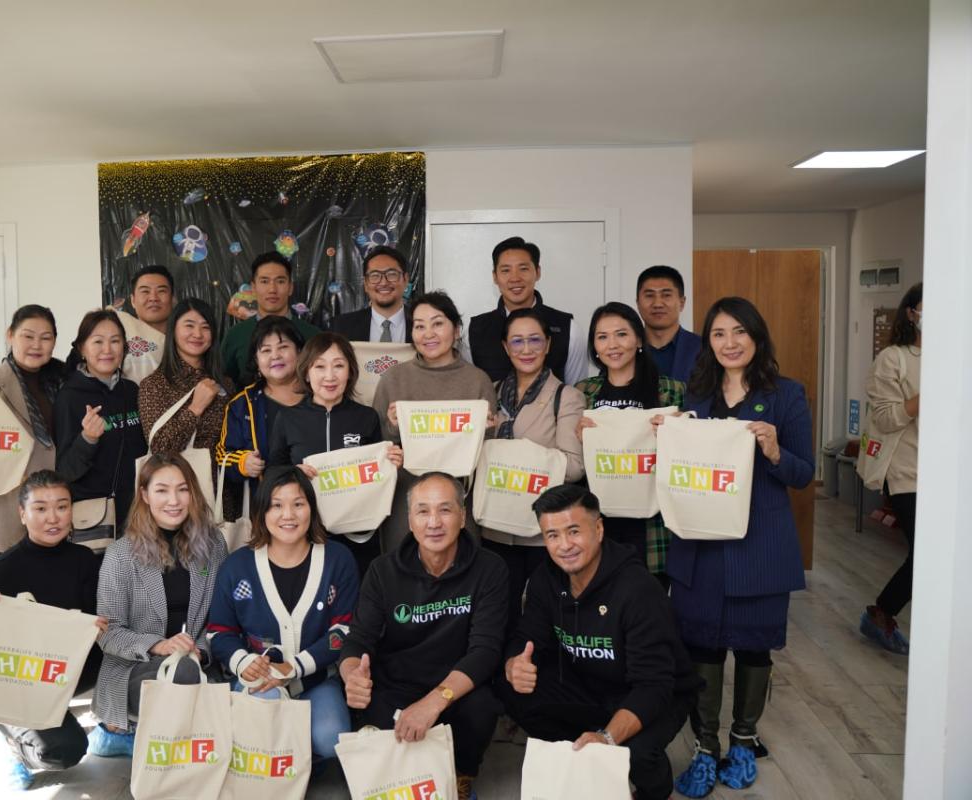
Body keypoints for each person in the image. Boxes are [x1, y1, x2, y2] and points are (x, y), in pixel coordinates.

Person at [668, 297, 814, 797]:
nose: (729, 343)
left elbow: (804, 474)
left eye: (739, 332)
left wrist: (775, 450)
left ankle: (744, 740)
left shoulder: (786, 396)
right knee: (701, 644)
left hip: (761, 544)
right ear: (707, 342)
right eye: (718, 334)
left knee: (754, 646)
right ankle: (706, 749)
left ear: (757, 337)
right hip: (701, 544)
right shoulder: (696, 394)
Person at [497, 483, 699, 800]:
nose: (564, 545)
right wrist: (514, 664)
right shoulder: (544, 578)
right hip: (589, 682)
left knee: (637, 754)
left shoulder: (638, 589)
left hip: (655, 691)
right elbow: (526, 637)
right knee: (512, 686)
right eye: (552, 535)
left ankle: (655, 790)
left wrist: (607, 738)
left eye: (574, 531)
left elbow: (654, 685)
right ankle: (581, 760)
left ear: (599, 528)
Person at [339, 472, 508, 800]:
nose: (434, 522)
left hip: (455, 687)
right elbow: (359, 639)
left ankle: (461, 775)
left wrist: (433, 703)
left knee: (483, 706)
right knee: (373, 718)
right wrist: (351, 675)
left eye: (445, 510)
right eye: (423, 511)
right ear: (410, 521)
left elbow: (485, 650)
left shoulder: (490, 568)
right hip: (398, 685)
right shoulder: (382, 570)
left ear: (462, 517)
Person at [206, 468, 359, 763]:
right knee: (262, 736)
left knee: (331, 741)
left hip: (316, 680)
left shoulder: (338, 559)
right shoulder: (238, 566)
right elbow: (219, 632)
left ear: (311, 509)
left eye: (298, 504)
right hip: (260, 679)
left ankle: (298, 759)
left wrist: (294, 668)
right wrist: (245, 662)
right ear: (262, 511)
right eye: (276, 505)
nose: (288, 515)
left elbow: (343, 633)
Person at [0, 470, 106, 790]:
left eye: (62, 506)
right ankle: (15, 744)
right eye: (40, 508)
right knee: (64, 749)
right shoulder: (3, 569)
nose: (53, 518)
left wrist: (99, 625)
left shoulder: (85, 560)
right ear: (22, 513)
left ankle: (112, 727)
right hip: (20, 679)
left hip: (65, 672)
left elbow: (94, 619)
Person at [88, 453, 229, 757]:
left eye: (182, 489)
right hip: (135, 668)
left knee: (199, 675)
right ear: (144, 495)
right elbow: (108, 632)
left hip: (197, 660)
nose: (174, 500)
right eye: (162, 490)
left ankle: (152, 738)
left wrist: (199, 649)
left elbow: (221, 618)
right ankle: (132, 735)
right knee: (183, 673)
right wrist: (159, 646)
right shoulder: (120, 554)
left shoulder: (213, 544)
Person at [267, 332, 404, 575]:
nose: (329, 376)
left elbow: (378, 478)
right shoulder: (288, 418)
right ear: (306, 373)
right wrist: (292, 474)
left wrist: (392, 462)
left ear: (350, 371)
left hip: (359, 534)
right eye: (319, 366)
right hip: (304, 532)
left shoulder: (366, 417)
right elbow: (271, 474)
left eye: (338, 366)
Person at [482, 308, 586, 625]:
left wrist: (516, 455)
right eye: (517, 341)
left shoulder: (566, 397)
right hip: (495, 528)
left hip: (541, 533)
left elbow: (574, 467)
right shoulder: (490, 392)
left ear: (548, 345)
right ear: (504, 347)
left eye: (534, 340)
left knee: (545, 617)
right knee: (499, 616)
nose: (526, 350)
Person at [372, 291, 497, 552]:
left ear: (457, 329)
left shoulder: (477, 380)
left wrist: (483, 433)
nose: (428, 333)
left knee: (459, 578)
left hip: (458, 500)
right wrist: (393, 427)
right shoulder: (394, 379)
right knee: (405, 579)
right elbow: (377, 445)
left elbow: (487, 453)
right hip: (405, 501)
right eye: (419, 326)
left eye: (437, 323)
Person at [575, 302, 684, 581]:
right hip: (600, 514)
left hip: (652, 524)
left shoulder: (670, 391)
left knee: (648, 605)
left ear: (638, 338)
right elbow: (572, 462)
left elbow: (688, 458)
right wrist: (577, 436)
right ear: (594, 346)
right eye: (602, 337)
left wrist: (678, 432)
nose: (612, 344)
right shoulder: (584, 392)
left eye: (621, 334)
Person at [0, 305, 65, 555]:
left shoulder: (65, 378)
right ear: (10, 335)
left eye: (45, 338)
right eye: (28, 336)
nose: (36, 345)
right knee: (7, 588)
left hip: (54, 506)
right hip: (7, 505)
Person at [858, 283, 922, 655]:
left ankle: (882, 612)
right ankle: (881, 614)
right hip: (907, 470)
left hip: (950, 471)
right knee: (925, 553)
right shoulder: (894, 359)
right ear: (911, 313)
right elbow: (887, 418)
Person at [55, 309, 147, 529]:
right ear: (82, 349)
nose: (107, 350)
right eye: (98, 341)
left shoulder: (132, 391)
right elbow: (65, 471)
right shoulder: (69, 397)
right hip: (95, 520)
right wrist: (87, 438)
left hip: (139, 514)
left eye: (115, 341)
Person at [467, 236, 590, 385]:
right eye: (506, 270)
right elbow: (471, 391)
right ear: (495, 277)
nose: (515, 278)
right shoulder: (474, 331)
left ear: (537, 272)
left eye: (523, 269)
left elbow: (577, 389)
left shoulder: (568, 328)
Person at [216, 316, 306, 498]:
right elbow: (221, 456)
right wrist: (242, 462)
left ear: (300, 352)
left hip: (321, 505)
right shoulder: (242, 405)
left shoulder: (320, 395)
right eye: (266, 350)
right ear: (256, 361)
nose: (275, 356)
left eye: (283, 347)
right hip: (264, 510)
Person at [138, 297, 233, 459]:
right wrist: (195, 408)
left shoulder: (225, 384)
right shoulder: (154, 385)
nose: (197, 334)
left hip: (221, 481)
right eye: (189, 325)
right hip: (177, 481)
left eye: (205, 327)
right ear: (173, 330)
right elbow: (159, 449)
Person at [220, 252, 321, 386]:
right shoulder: (235, 335)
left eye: (280, 281)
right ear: (254, 287)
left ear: (290, 287)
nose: (272, 289)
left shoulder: (314, 336)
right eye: (264, 281)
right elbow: (224, 381)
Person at [330, 245, 412, 343]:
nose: (383, 283)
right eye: (375, 275)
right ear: (365, 284)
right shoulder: (341, 327)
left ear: (405, 279)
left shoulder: (422, 324)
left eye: (392, 274)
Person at [635, 265, 702, 383]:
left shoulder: (703, 349)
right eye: (649, 295)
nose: (657, 304)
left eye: (666, 295)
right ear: (638, 303)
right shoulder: (625, 349)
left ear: (682, 303)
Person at [118, 265, 175, 384]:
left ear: (172, 299)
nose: (153, 298)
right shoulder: (117, 335)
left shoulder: (188, 340)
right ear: (133, 300)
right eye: (145, 291)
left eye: (161, 291)